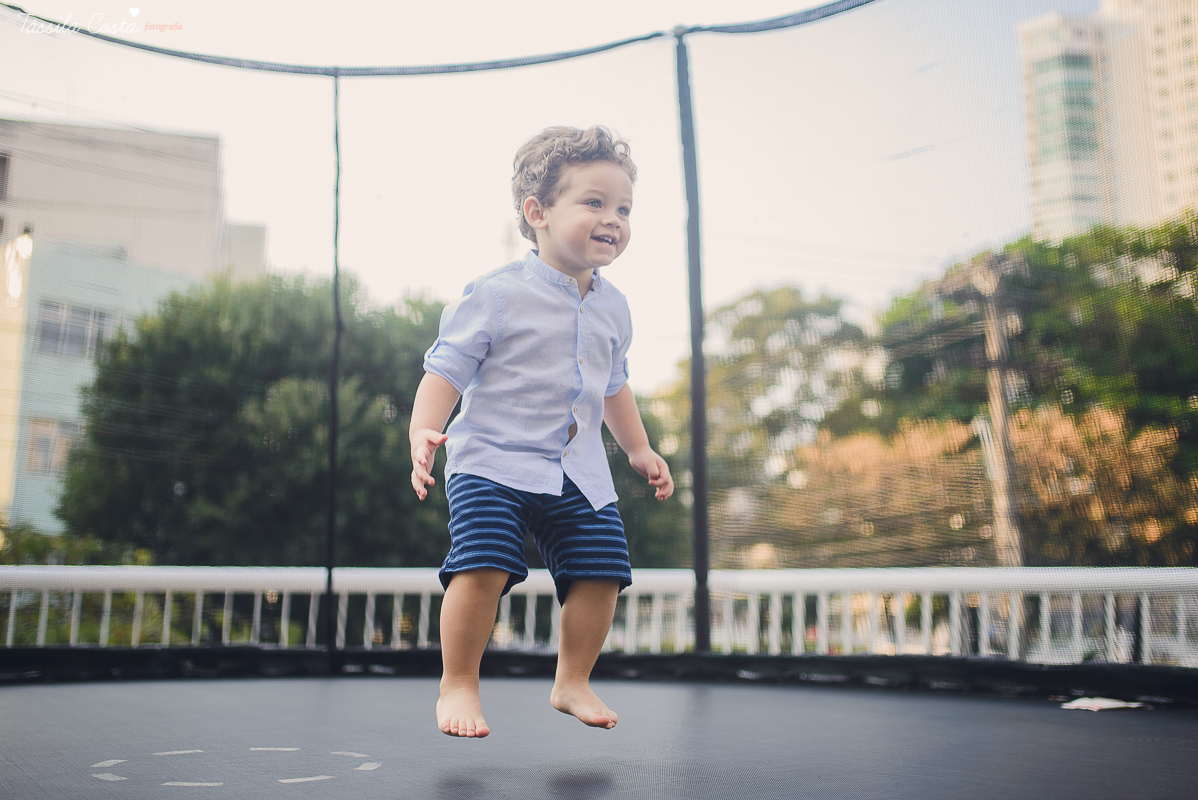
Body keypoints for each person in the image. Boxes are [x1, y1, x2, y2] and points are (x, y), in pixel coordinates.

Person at [409, 125, 674, 739]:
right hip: (491, 461)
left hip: (575, 466)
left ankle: (572, 680)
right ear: (538, 213)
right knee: (484, 565)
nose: (614, 219)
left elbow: (613, 385)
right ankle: (459, 683)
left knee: (603, 568)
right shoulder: (497, 295)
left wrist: (638, 448)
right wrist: (424, 430)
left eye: (624, 208)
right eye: (594, 202)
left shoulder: (615, 307)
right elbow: (445, 369)